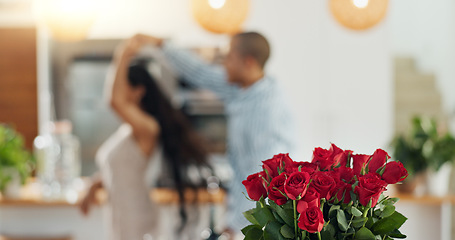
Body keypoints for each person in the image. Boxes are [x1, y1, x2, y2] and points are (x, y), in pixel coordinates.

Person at [131, 32, 298, 238]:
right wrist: (160, 43)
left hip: (257, 225)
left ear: (248, 62)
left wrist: (234, 227)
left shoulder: (265, 110)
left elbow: (261, 181)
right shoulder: (243, 89)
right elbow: (200, 73)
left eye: (229, 57)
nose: (224, 64)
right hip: (242, 220)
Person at [79, 37, 209, 240]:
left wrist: (122, 55)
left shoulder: (148, 128)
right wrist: (95, 185)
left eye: (121, 86)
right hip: (122, 223)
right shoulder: (127, 132)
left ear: (139, 91)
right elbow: (123, 169)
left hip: (139, 226)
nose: (117, 92)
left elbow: (114, 102)